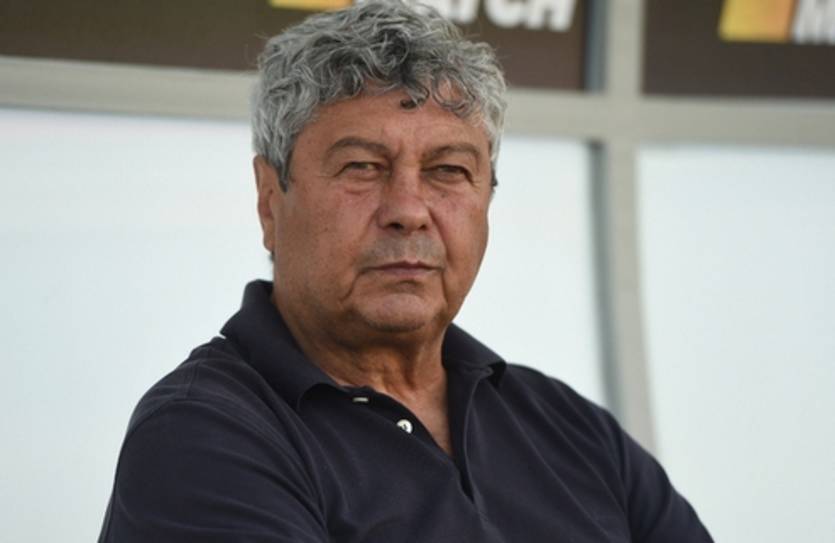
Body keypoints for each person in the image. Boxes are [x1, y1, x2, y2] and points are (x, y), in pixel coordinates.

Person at [98, 1, 713, 541]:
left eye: (448, 171)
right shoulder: (202, 435)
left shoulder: (570, 429)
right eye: (362, 167)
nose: (409, 211)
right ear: (269, 201)